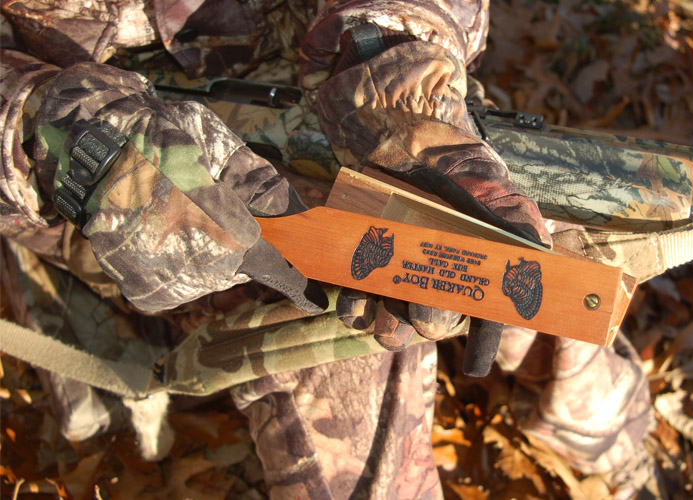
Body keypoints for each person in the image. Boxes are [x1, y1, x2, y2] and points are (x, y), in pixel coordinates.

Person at [0, 0, 652, 497]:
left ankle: (618, 449)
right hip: (92, 170)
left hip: (319, 92)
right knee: (355, 368)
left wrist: (397, 82)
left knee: (517, 258)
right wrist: (67, 143)